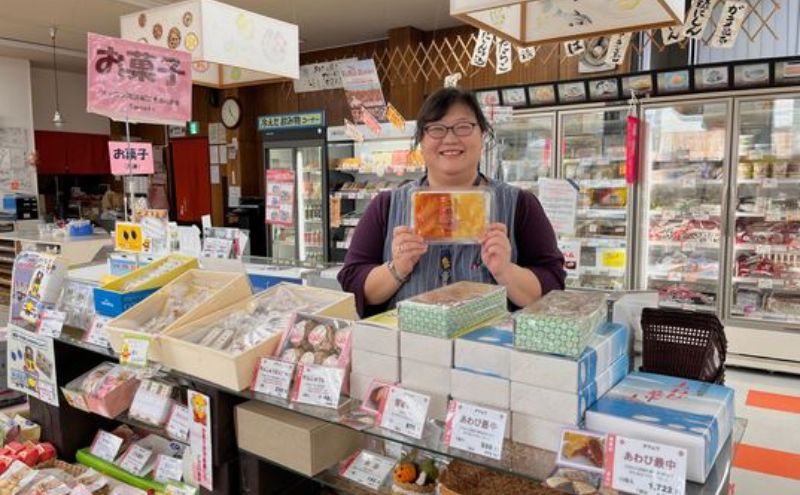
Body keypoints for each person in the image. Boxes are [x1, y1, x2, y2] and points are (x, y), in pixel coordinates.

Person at [338, 88, 565, 317]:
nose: (450, 138)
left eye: (464, 126)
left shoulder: (520, 205)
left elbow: (552, 288)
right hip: (407, 349)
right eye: (436, 128)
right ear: (421, 139)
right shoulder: (386, 205)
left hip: (488, 351)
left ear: (483, 134)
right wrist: (397, 268)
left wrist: (505, 271)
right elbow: (352, 282)